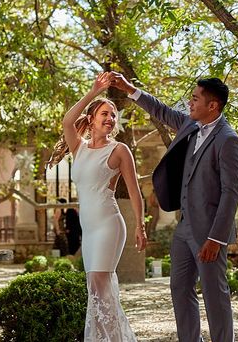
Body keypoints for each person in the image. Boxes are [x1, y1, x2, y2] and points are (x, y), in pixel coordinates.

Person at [110, 73, 238, 342]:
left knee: (214, 295)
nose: (189, 103)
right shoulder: (190, 125)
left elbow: (232, 193)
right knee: (180, 289)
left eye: (195, 99)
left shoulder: (228, 140)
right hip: (184, 229)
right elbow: (161, 110)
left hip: (209, 234)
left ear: (213, 106)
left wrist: (216, 239)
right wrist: (130, 89)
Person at [49, 71, 146, 341]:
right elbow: (68, 121)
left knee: (100, 284)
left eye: (113, 115)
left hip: (108, 224)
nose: (110, 118)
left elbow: (136, 192)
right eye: (105, 113)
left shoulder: (119, 151)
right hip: (88, 229)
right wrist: (93, 92)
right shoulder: (78, 147)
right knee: (96, 288)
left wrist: (140, 226)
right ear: (92, 119)